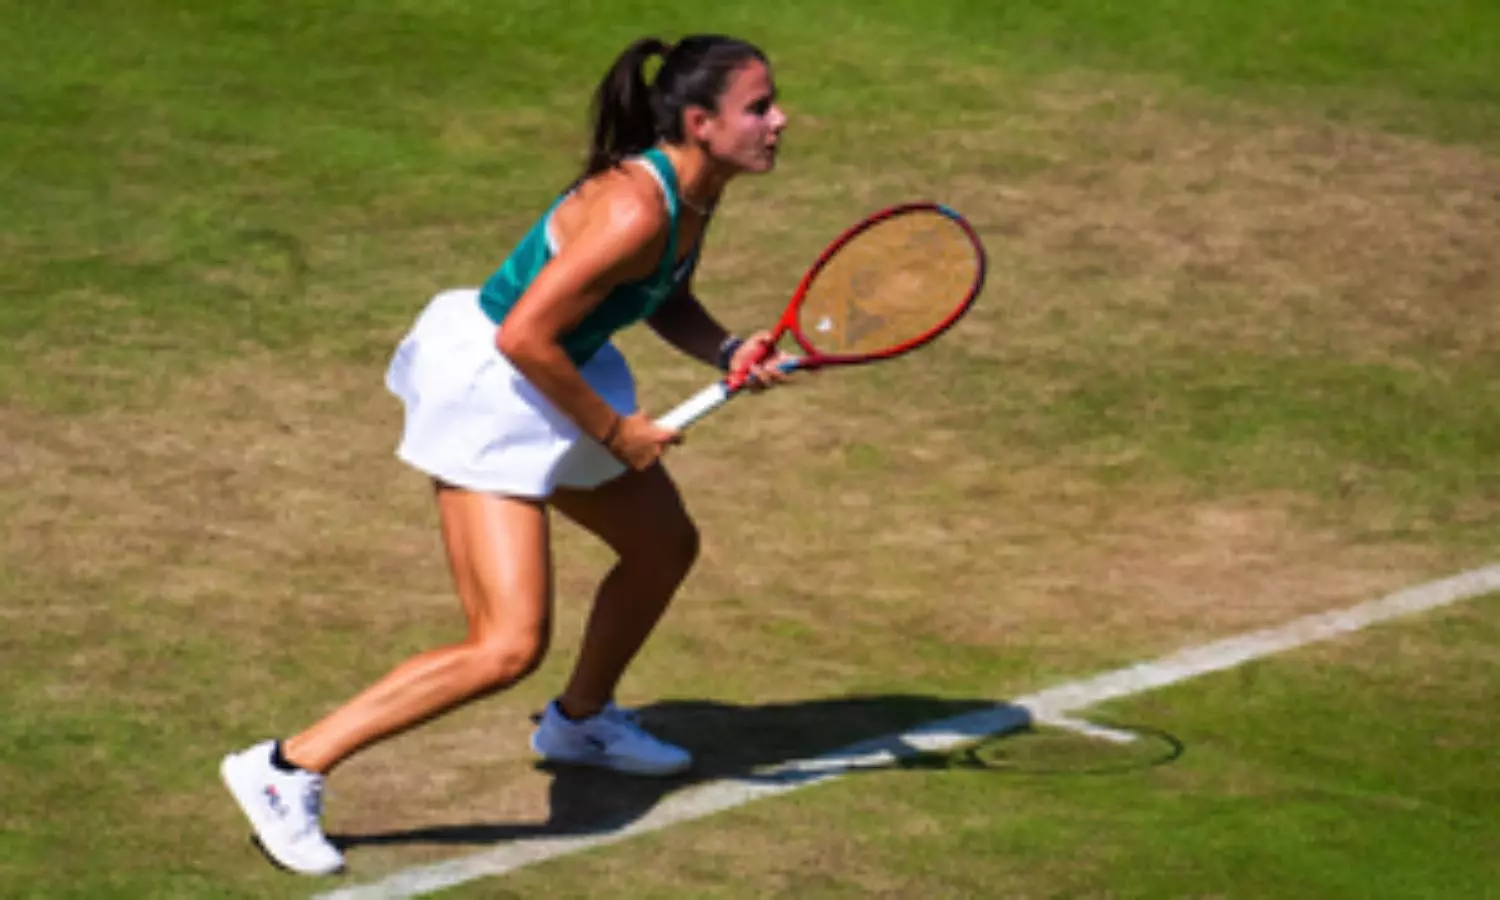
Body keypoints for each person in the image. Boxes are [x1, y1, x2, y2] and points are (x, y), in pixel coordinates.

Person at [219, 34, 791, 876]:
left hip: (561, 371)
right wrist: (618, 433)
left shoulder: (694, 194)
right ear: (701, 123)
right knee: (506, 645)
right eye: (759, 107)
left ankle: (580, 721)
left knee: (663, 545)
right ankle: (286, 767)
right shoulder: (635, 208)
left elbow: (660, 294)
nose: (780, 120)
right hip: (497, 385)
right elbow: (524, 335)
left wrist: (728, 348)